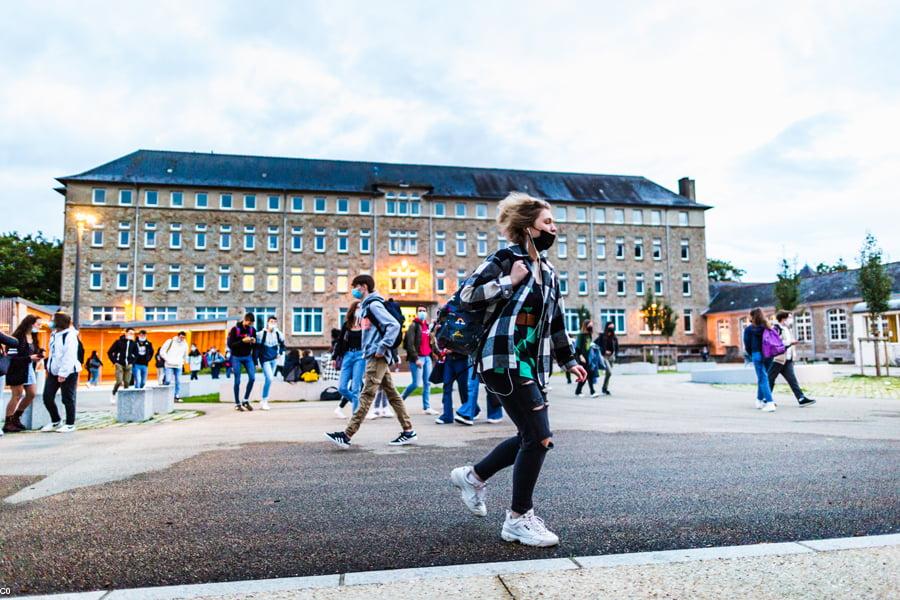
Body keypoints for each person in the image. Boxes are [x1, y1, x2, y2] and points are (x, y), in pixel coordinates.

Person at [448, 192, 587, 548]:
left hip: (530, 363)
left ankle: (473, 476)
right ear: (528, 227)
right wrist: (508, 281)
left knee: (530, 435)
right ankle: (518, 518)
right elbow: (466, 296)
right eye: (547, 223)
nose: (554, 228)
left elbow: (555, 322)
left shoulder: (550, 273)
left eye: (553, 223)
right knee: (539, 438)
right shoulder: (505, 258)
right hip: (501, 357)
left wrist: (569, 360)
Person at [325, 274, 417, 448]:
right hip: (374, 355)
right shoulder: (367, 306)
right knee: (392, 394)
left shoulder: (374, 305)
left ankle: (346, 435)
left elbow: (394, 326)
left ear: (363, 287)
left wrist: (381, 348)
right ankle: (408, 431)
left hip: (377, 356)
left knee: (367, 394)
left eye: (355, 286)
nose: (353, 290)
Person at [40, 312, 81, 433]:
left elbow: (69, 356)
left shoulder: (69, 336)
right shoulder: (54, 334)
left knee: (67, 398)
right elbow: (53, 354)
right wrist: (49, 368)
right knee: (47, 397)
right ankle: (56, 421)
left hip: (68, 372)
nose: (50, 322)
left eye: (52, 320)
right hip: (53, 371)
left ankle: (70, 424)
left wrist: (63, 373)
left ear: (59, 322)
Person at [3, 315, 44, 433]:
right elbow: (12, 358)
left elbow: (34, 351)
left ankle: (16, 418)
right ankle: (8, 422)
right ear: (30, 324)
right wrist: (29, 357)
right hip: (16, 369)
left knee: (31, 393)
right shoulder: (16, 338)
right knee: (17, 394)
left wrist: (40, 353)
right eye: (38, 324)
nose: (40, 326)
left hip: (29, 368)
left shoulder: (34, 336)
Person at [768, 311, 816, 407]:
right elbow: (776, 343)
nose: (791, 320)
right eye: (789, 317)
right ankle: (766, 399)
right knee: (770, 379)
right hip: (778, 359)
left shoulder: (787, 329)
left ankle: (801, 398)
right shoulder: (776, 329)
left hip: (788, 359)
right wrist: (790, 342)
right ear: (783, 318)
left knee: (792, 380)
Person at [332, 301, 366, 419]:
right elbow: (340, 341)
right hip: (347, 355)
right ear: (353, 309)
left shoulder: (365, 324)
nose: (359, 309)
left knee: (356, 387)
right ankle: (360, 407)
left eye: (361, 308)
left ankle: (355, 416)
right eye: (357, 307)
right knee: (342, 388)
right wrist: (334, 357)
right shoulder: (347, 324)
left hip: (360, 356)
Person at [744, 307, 775, 412]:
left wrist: (752, 355)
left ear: (752, 316)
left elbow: (747, 345)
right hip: (769, 355)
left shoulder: (749, 329)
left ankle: (770, 403)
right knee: (763, 377)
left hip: (757, 354)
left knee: (762, 378)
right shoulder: (767, 327)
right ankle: (759, 400)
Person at [228, 313, 257, 411]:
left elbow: (254, 347)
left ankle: (245, 400)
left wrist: (253, 341)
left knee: (252, 378)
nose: (250, 325)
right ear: (245, 320)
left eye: (251, 323)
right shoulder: (235, 329)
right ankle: (237, 403)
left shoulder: (252, 330)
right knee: (237, 381)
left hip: (248, 357)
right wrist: (243, 341)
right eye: (249, 323)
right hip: (236, 357)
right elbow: (231, 345)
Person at [255, 316, 285, 410]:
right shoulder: (261, 334)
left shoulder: (278, 334)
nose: (273, 323)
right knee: (270, 378)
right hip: (265, 360)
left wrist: (279, 353)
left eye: (275, 322)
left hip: (274, 359)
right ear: (267, 322)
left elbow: (283, 345)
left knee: (268, 380)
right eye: (271, 321)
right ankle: (264, 400)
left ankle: (263, 400)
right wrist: (255, 361)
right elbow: (256, 349)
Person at [438, 347, 469, 425]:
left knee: (463, 388)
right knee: (446, 386)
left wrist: (454, 349)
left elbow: (468, 343)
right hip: (449, 361)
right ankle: (447, 417)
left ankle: (472, 410)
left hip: (462, 360)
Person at [107, 327, 137, 404]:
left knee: (127, 382)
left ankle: (126, 399)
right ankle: (113, 393)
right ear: (126, 333)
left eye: (133, 334)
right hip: (119, 364)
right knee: (119, 381)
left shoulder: (133, 343)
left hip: (129, 365)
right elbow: (109, 352)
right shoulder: (118, 342)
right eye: (130, 333)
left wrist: (132, 362)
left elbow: (136, 354)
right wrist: (115, 361)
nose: (131, 335)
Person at [159, 331, 188, 402]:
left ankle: (176, 396)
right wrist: (167, 359)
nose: (182, 339)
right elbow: (162, 351)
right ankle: (164, 394)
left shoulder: (185, 344)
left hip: (178, 365)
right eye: (181, 337)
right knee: (168, 380)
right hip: (169, 364)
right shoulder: (170, 341)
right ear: (178, 336)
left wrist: (184, 361)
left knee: (178, 381)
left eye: (183, 337)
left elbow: (185, 354)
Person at [574, 320, 599, 397]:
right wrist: (581, 356)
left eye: (591, 325)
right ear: (585, 326)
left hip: (588, 358)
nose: (591, 326)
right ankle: (592, 392)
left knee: (586, 375)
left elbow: (588, 346)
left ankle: (578, 391)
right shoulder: (580, 335)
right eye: (590, 325)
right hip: (582, 358)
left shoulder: (589, 335)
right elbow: (577, 348)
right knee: (588, 374)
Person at [595, 322, 618, 396]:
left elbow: (617, 347)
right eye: (610, 327)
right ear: (607, 327)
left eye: (613, 327)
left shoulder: (614, 337)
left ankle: (604, 388)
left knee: (608, 374)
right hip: (604, 357)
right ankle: (603, 388)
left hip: (611, 358)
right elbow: (595, 344)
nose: (611, 329)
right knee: (610, 372)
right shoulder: (601, 336)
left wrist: (615, 355)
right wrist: (604, 351)